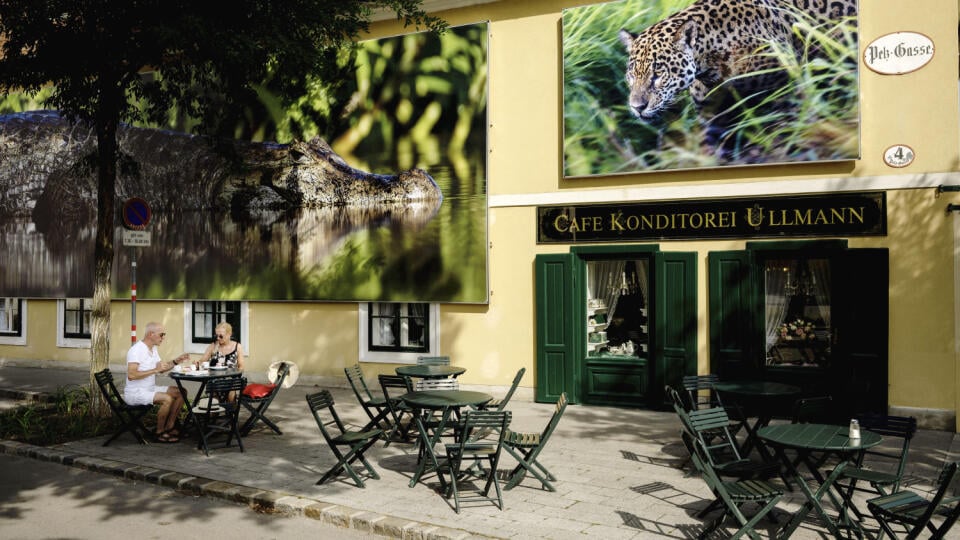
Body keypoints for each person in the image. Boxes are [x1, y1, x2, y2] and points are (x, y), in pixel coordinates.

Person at [123, 322, 189, 443]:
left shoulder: (152, 349)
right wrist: (155, 370)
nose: (163, 337)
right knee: (167, 399)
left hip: (149, 388)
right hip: (135, 393)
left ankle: (169, 426)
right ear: (150, 334)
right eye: (161, 334)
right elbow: (132, 375)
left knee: (181, 392)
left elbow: (161, 368)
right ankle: (159, 432)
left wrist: (176, 361)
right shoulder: (136, 350)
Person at [199, 322, 245, 402]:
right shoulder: (213, 346)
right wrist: (197, 363)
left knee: (231, 396)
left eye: (221, 336)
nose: (218, 338)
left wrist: (235, 376)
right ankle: (214, 413)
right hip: (214, 380)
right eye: (216, 336)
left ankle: (230, 413)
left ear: (229, 334)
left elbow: (241, 366)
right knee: (214, 401)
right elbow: (202, 361)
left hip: (231, 381)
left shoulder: (237, 347)